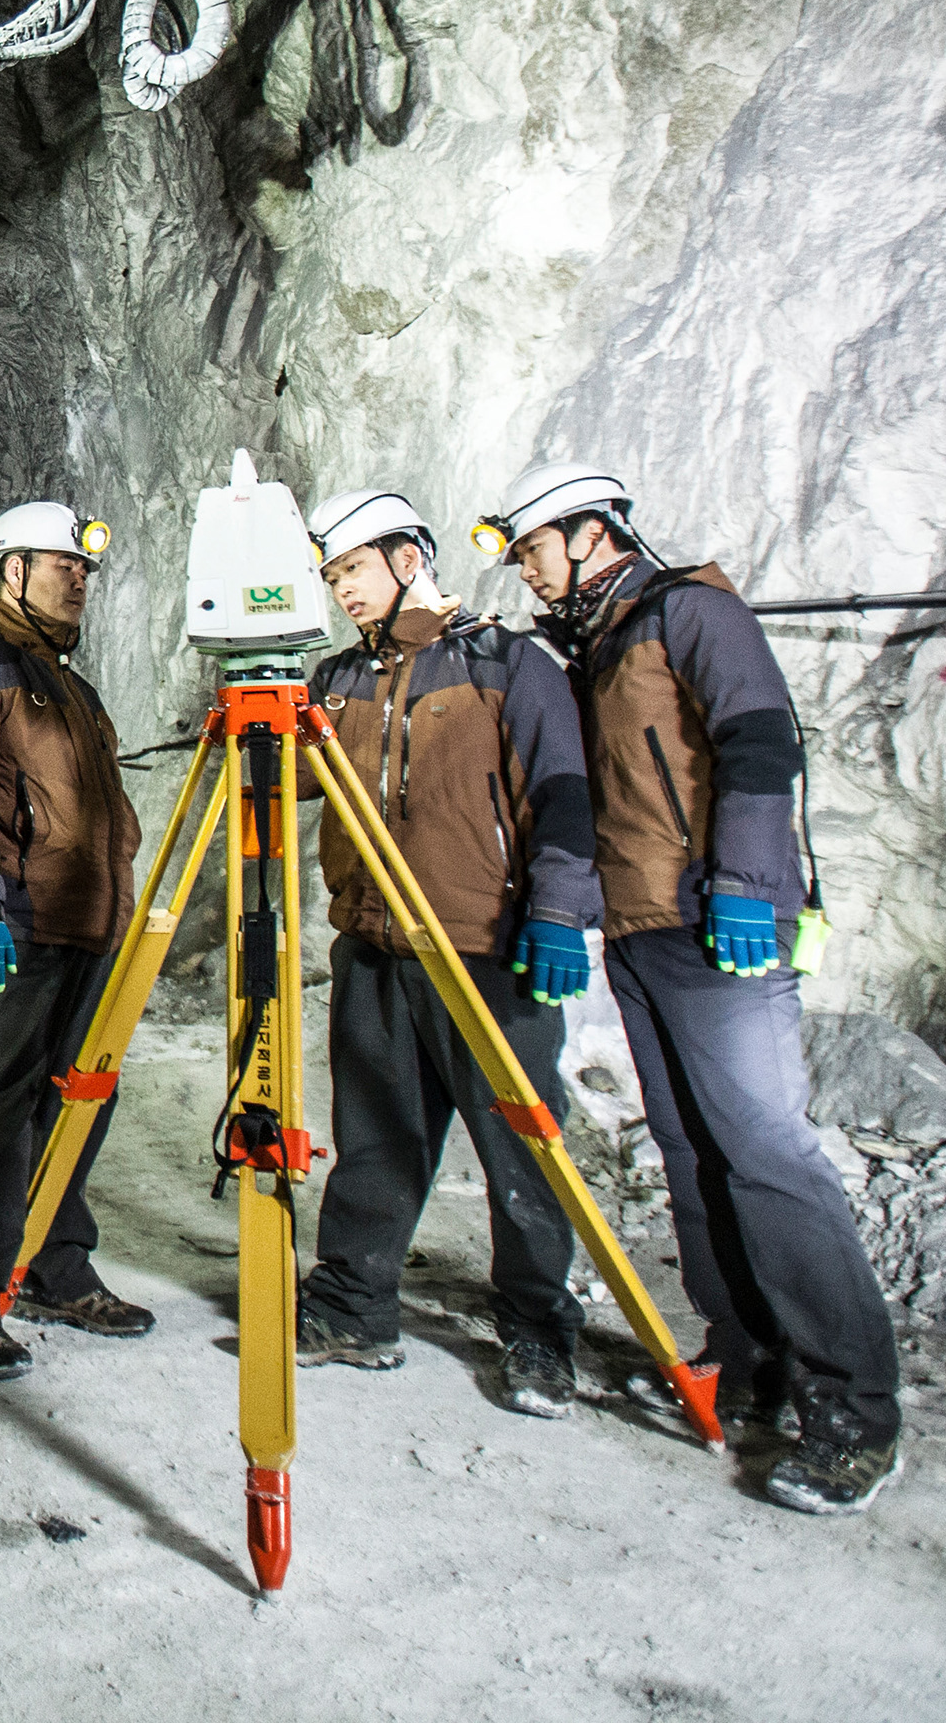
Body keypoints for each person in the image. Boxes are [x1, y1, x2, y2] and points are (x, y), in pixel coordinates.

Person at [480, 461, 903, 1516]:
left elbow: (759, 738)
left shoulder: (690, 612)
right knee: (694, 1153)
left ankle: (854, 1409)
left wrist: (752, 884)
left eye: (535, 547)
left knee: (765, 1154)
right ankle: (751, 1358)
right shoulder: (596, 651)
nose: (528, 572)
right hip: (640, 931)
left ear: (591, 533)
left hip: (720, 929)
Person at [288, 487, 595, 1419]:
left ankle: (540, 1329)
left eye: (356, 570)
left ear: (409, 559)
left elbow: (564, 793)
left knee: (520, 1142)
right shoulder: (337, 680)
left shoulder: (506, 663)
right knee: (378, 1131)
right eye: (333, 575)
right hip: (375, 940)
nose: (344, 590)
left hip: (484, 946)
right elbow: (297, 781)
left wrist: (558, 914)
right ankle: (353, 1307)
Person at [0, 499, 153, 1377]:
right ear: (9, 570)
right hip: (16, 922)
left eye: (84, 568)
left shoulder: (70, 686)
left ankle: (57, 1266)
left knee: (81, 1096)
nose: (78, 579)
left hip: (86, 923)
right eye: (62, 564)